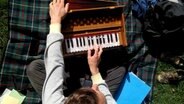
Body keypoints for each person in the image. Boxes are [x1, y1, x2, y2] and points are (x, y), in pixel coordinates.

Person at [40, 0, 117, 103]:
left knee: (34, 67)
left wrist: (55, 19)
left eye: (90, 91)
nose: (94, 85)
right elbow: (108, 98)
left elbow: (54, 64)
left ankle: (70, 88)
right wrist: (95, 70)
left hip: (68, 93)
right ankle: (74, 87)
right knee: (119, 69)